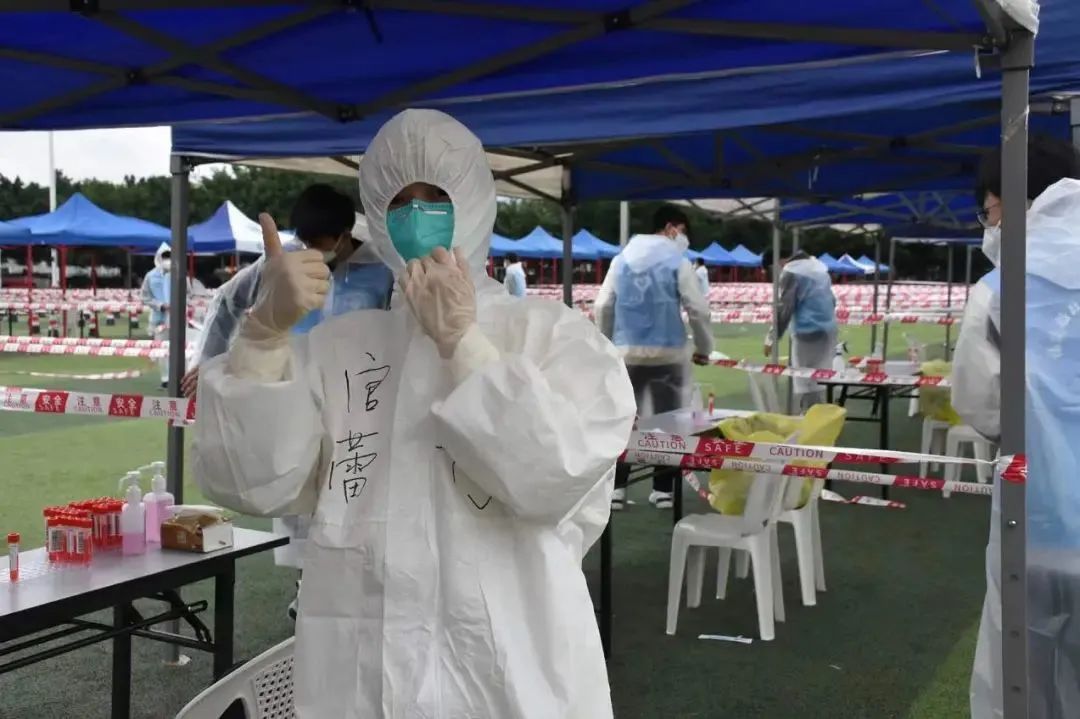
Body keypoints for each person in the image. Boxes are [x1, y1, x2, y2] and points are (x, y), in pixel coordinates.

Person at [193, 109, 635, 718]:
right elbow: (254, 481)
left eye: (436, 197)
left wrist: (466, 348)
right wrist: (263, 339)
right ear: (375, 216)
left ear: (474, 201)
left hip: (508, 673)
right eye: (398, 202)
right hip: (360, 676)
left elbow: (553, 475)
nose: (417, 215)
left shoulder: (551, 337)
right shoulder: (344, 349)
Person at [183, 185, 393, 621]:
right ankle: (306, 587)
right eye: (306, 240)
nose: (313, 250)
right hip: (297, 396)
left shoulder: (381, 270)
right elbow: (228, 304)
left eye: (322, 242)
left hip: (360, 403)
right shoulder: (282, 264)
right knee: (297, 488)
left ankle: (356, 588)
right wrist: (212, 362)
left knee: (351, 495)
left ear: (344, 234)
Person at [955, 136, 1080, 719]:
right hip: (1040, 518)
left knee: (1024, 677)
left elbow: (980, 404)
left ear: (1006, 200)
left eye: (989, 211)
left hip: (1038, 520)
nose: (989, 226)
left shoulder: (998, 289)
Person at [594, 204, 713, 511]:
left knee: (624, 422)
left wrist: (608, 344)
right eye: (683, 232)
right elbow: (698, 309)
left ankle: (618, 488)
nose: (684, 239)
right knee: (670, 425)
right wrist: (704, 348)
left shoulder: (621, 261)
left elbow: (603, 305)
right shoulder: (678, 262)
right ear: (671, 228)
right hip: (669, 355)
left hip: (626, 354)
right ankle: (663, 490)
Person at [763, 251, 837, 411]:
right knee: (820, 378)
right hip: (828, 329)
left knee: (805, 381)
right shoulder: (819, 269)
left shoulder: (792, 271)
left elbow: (785, 308)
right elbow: (833, 300)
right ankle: (820, 415)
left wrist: (771, 338)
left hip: (807, 330)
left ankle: (811, 417)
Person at [140, 243, 172, 388]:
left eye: (169, 256)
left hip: (177, 319)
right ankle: (166, 378)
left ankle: (179, 376)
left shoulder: (179, 274)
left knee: (180, 349)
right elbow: (145, 297)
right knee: (161, 349)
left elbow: (189, 293)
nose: (167, 260)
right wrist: (160, 305)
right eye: (164, 257)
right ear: (158, 258)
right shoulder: (150, 276)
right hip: (159, 319)